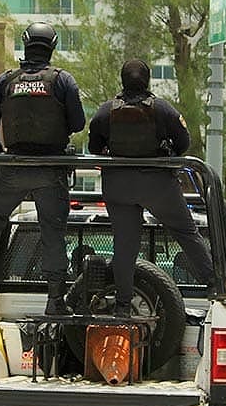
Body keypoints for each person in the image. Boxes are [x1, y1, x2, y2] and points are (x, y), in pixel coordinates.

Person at [0, 22, 86, 314]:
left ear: (25, 45)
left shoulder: (5, 81)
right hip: (51, 168)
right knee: (52, 232)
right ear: (51, 48)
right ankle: (54, 300)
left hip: (12, 165)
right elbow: (78, 123)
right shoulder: (63, 80)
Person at [88, 59, 216, 317]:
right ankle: (214, 283)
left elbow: (93, 148)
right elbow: (183, 143)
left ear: (122, 81)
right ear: (147, 81)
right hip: (158, 185)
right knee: (186, 232)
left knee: (125, 246)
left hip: (118, 186)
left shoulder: (105, 111)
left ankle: (123, 306)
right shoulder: (162, 109)